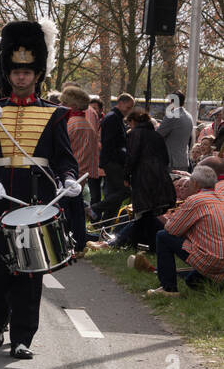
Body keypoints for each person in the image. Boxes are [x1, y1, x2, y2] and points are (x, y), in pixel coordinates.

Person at [0, 20, 81, 359]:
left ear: (37, 74)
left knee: (30, 274)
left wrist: (69, 179)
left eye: (27, 71)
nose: (21, 77)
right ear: (8, 73)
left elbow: (64, 158)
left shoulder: (55, 115)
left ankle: (22, 338)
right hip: (0, 202)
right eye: (16, 71)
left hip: (37, 202)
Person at [100, 107, 175, 253]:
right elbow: (166, 158)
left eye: (130, 123)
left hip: (143, 176)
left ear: (133, 121)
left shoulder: (135, 134)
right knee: (150, 212)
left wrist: (126, 175)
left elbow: (131, 157)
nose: (129, 126)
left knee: (144, 212)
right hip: (160, 176)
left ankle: (136, 243)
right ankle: (143, 244)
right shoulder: (156, 135)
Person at [149, 164, 224, 296]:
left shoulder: (195, 200)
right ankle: (216, 287)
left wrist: (168, 218)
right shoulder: (220, 200)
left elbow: (172, 230)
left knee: (163, 236)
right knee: (192, 281)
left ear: (194, 183)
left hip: (211, 260)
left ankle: (168, 288)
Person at [60, 84, 100, 251]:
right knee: (77, 209)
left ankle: (67, 242)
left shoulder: (70, 124)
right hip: (82, 174)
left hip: (69, 174)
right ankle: (79, 241)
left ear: (72, 105)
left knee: (66, 210)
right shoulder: (87, 124)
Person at [95, 92, 134, 220]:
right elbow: (111, 143)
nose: (129, 111)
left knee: (114, 196)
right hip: (113, 162)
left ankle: (105, 224)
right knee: (124, 191)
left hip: (112, 161)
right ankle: (95, 208)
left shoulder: (115, 118)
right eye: (128, 107)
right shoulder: (113, 118)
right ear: (120, 103)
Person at [157, 90, 194, 173]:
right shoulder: (189, 116)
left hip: (171, 162)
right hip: (183, 160)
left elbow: (158, 134)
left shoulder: (172, 115)